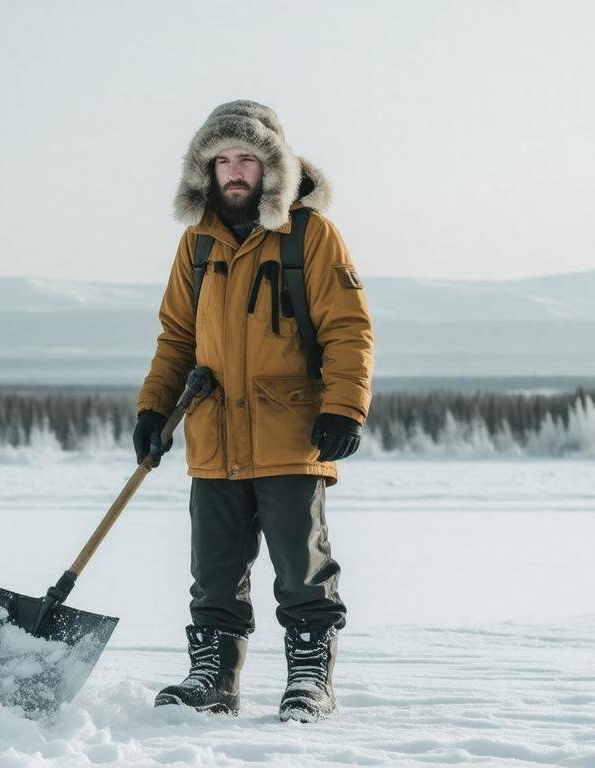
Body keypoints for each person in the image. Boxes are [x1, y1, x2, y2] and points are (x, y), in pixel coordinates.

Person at [132, 100, 374, 722]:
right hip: (213, 440)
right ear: (204, 171)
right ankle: (212, 678)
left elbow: (347, 328)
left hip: (292, 435)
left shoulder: (311, 234)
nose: (234, 172)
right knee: (213, 576)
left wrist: (345, 408)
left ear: (273, 166)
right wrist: (154, 409)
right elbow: (176, 339)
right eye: (222, 160)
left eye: (247, 159)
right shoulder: (196, 245)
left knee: (302, 571)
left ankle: (309, 681)